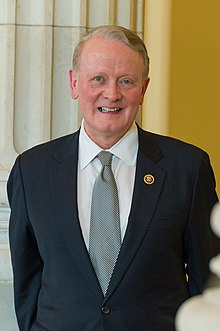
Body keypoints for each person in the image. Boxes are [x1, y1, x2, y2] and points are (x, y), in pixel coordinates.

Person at [8, 25, 219, 331]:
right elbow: (27, 284)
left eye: (126, 81)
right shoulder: (32, 171)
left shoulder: (187, 168)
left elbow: (208, 283)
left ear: (144, 89)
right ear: (74, 83)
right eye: (98, 79)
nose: (112, 93)